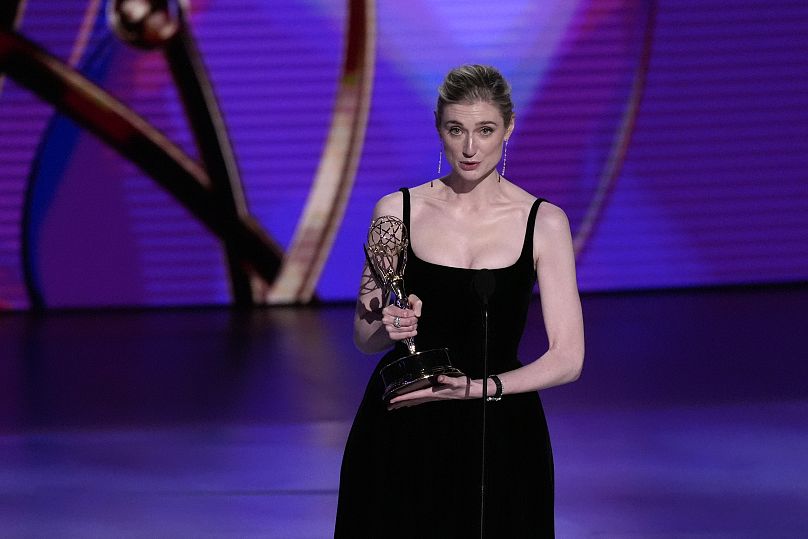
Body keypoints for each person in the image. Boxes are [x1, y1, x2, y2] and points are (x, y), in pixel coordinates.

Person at [335, 64, 584, 538]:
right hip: (405, 424)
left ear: (508, 128)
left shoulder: (544, 222)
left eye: (485, 130)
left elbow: (568, 359)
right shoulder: (396, 212)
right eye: (457, 130)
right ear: (439, 128)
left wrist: (474, 389)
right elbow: (364, 338)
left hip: (500, 432)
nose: (470, 148)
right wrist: (388, 325)